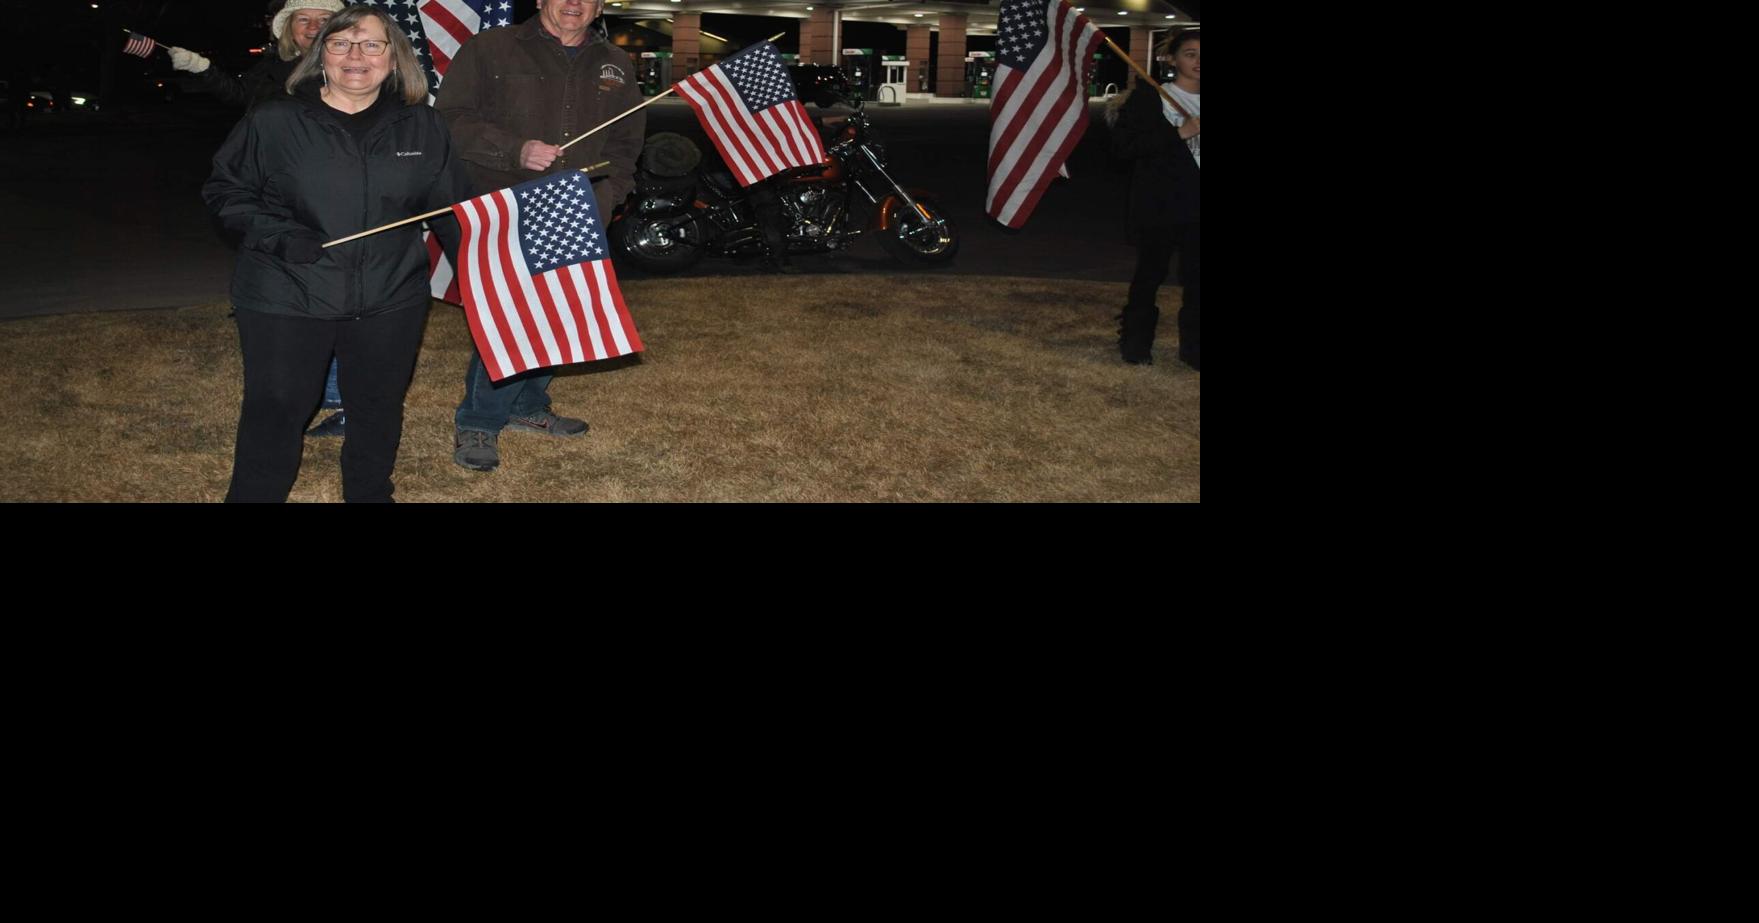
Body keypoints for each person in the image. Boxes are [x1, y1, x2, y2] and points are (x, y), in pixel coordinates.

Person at [203, 5, 472, 502]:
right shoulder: (275, 120)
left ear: (394, 57)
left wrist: (485, 276)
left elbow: (452, 211)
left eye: (371, 44)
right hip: (288, 292)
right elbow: (226, 192)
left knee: (377, 408)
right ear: (320, 55)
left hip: (390, 295)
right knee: (277, 409)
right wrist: (281, 235)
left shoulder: (423, 126)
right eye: (341, 43)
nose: (356, 56)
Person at [435, 0, 645, 472]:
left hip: (576, 208)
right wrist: (515, 150)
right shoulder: (491, 47)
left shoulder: (614, 62)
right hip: (504, 205)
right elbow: (449, 119)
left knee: (556, 309)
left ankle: (528, 405)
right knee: (510, 313)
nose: (574, 3)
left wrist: (609, 195)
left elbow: (626, 140)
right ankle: (479, 421)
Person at [170, 0, 354, 435]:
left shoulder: (354, 70)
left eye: (324, 19)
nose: (313, 26)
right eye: (303, 19)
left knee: (340, 295)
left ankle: (341, 397)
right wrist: (203, 69)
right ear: (289, 28)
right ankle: (305, 390)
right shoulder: (273, 72)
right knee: (286, 296)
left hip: (335, 200)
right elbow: (241, 98)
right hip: (275, 199)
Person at [1108, 29, 1200, 370]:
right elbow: (1124, 148)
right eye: (1190, 54)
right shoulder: (1152, 98)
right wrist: (1179, 133)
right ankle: (1136, 342)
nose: (1198, 61)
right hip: (1161, 203)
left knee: (1198, 279)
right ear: (1172, 59)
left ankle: (1194, 348)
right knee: (1150, 274)